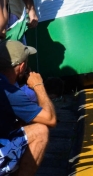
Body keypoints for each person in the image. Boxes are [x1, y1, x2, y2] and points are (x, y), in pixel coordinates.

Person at [0, 40, 57, 176]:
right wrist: (38, 85)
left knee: (21, 126)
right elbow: (50, 119)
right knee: (40, 131)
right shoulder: (9, 91)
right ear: (22, 66)